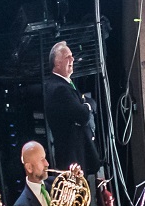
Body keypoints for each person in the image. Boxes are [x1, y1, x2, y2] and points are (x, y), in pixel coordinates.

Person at [42, 40, 102, 178]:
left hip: (78, 155)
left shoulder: (64, 85)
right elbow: (83, 115)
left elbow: (90, 102)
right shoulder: (59, 89)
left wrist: (86, 104)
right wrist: (86, 105)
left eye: (72, 56)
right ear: (57, 63)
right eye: (67, 57)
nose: (72, 59)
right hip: (73, 158)